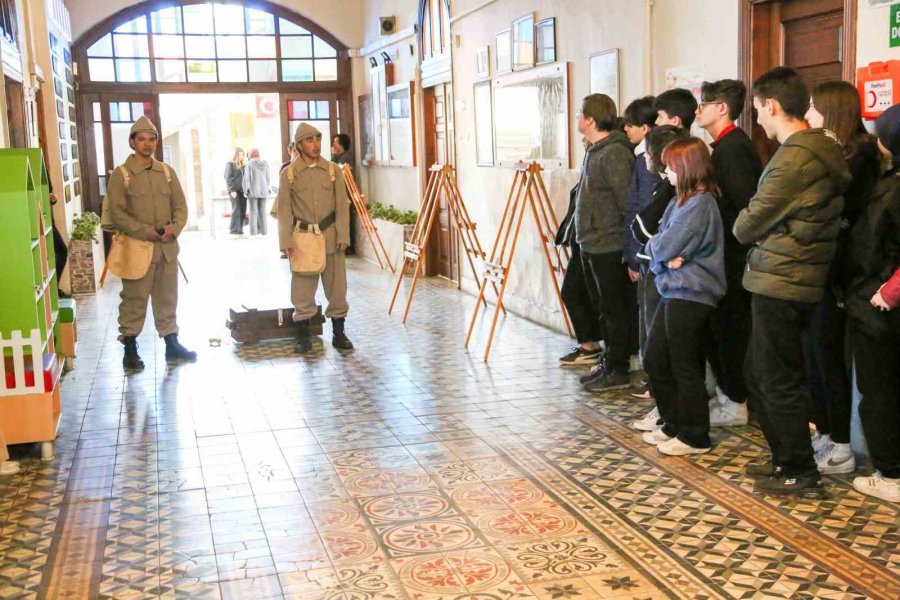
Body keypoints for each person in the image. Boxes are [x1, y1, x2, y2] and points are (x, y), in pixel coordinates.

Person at [735, 67, 850, 497]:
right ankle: (786, 457)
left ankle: (799, 469)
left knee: (775, 377)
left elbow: (746, 225)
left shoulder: (795, 157)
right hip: (789, 275)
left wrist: (764, 228)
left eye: (758, 111)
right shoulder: (816, 150)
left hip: (783, 279)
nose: (758, 120)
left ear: (773, 106)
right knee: (763, 372)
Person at [803, 81, 882, 475]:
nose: (808, 116)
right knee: (815, 356)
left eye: (814, 109)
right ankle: (828, 432)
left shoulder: (859, 160)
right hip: (822, 273)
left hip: (841, 278)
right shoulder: (838, 155)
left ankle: (841, 444)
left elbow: (849, 226)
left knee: (830, 358)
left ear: (832, 112)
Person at [642, 137, 726, 456]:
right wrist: (664, 256)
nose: (666, 172)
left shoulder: (701, 203)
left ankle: (695, 435)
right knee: (656, 359)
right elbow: (659, 241)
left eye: (671, 166)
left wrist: (662, 255)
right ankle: (674, 422)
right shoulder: (680, 200)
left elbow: (662, 246)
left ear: (688, 167)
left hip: (692, 294)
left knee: (684, 366)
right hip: (673, 289)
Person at [694, 79, 764, 427]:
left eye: (704, 103)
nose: (698, 110)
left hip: (734, 258)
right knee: (719, 329)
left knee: (730, 330)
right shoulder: (722, 147)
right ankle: (728, 396)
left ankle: (736, 401)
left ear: (722, 108)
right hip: (723, 256)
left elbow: (744, 206)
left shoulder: (733, 148)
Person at [104, 116, 196, 370]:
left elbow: (180, 206)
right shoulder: (121, 175)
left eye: (152, 139)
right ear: (132, 142)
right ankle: (130, 347)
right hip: (137, 248)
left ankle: (171, 343)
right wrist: (144, 231)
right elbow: (117, 213)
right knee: (134, 298)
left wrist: (174, 228)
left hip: (167, 248)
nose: (147, 144)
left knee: (168, 297)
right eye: (142, 139)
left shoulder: (166, 173)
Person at [844, 105, 900, 503]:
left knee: (879, 390)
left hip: (878, 302)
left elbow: (869, 248)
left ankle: (890, 472)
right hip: (877, 298)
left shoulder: (891, 189)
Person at [572, 94, 637, 392]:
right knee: (602, 308)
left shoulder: (613, 153)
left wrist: (630, 249)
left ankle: (619, 368)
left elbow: (627, 203)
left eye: (580, 114)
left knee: (614, 310)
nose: (577, 119)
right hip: (591, 242)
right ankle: (609, 362)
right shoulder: (595, 149)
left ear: (590, 119)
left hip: (609, 244)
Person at [628, 125, 689, 430]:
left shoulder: (678, 192)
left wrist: (655, 250)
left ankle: (672, 414)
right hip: (656, 268)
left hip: (671, 280)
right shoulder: (665, 187)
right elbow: (641, 229)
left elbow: (647, 230)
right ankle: (666, 410)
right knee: (652, 343)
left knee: (661, 349)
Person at [277, 123, 353, 353]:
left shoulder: (333, 170)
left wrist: (343, 235)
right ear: (299, 145)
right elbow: (284, 211)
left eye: (318, 139)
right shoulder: (289, 174)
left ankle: (338, 332)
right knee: (302, 288)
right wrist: (285, 242)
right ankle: (303, 335)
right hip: (302, 239)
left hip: (330, 236)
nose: (316, 145)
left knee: (337, 288)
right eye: (310, 140)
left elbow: (342, 205)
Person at [621, 96, 659, 388]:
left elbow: (642, 208)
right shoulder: (638, 156)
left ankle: (655, 382)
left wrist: (634, 253)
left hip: (652, 254)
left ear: (646, 128)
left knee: (653, 322)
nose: (626, 130)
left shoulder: (650, 160)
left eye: (631, 125)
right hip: (648, 252)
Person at [558, 137, 605, 367]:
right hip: (582, 238)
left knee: (575, 291)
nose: (584, 140)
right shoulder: (591, 157)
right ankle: (591, 344)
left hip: (597, 240)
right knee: (574, 291)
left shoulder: (607, 156)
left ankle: (593, 347)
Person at [243, 149, 271, 236]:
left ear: (250, 155)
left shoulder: (249, 164)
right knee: (262, 212)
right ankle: (264, 232)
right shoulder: (265, 163)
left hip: (253, 192)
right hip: (264, 191)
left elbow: (247, 179)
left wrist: (245, 190)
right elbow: (268, 178)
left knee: (253, 213)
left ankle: (253, 233)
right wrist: (267, 188)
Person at [224, 148, 246, 236]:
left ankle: (240, 229)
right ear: (235, 155)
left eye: (242, 155)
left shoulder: (243, 165)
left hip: (242, 191)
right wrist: (232, 190)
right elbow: (227, 177)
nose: (241, 156)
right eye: (239, 154)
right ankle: (233, 230)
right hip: (234, 191)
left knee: (243, 210)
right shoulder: (230, 164)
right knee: (236, 210)